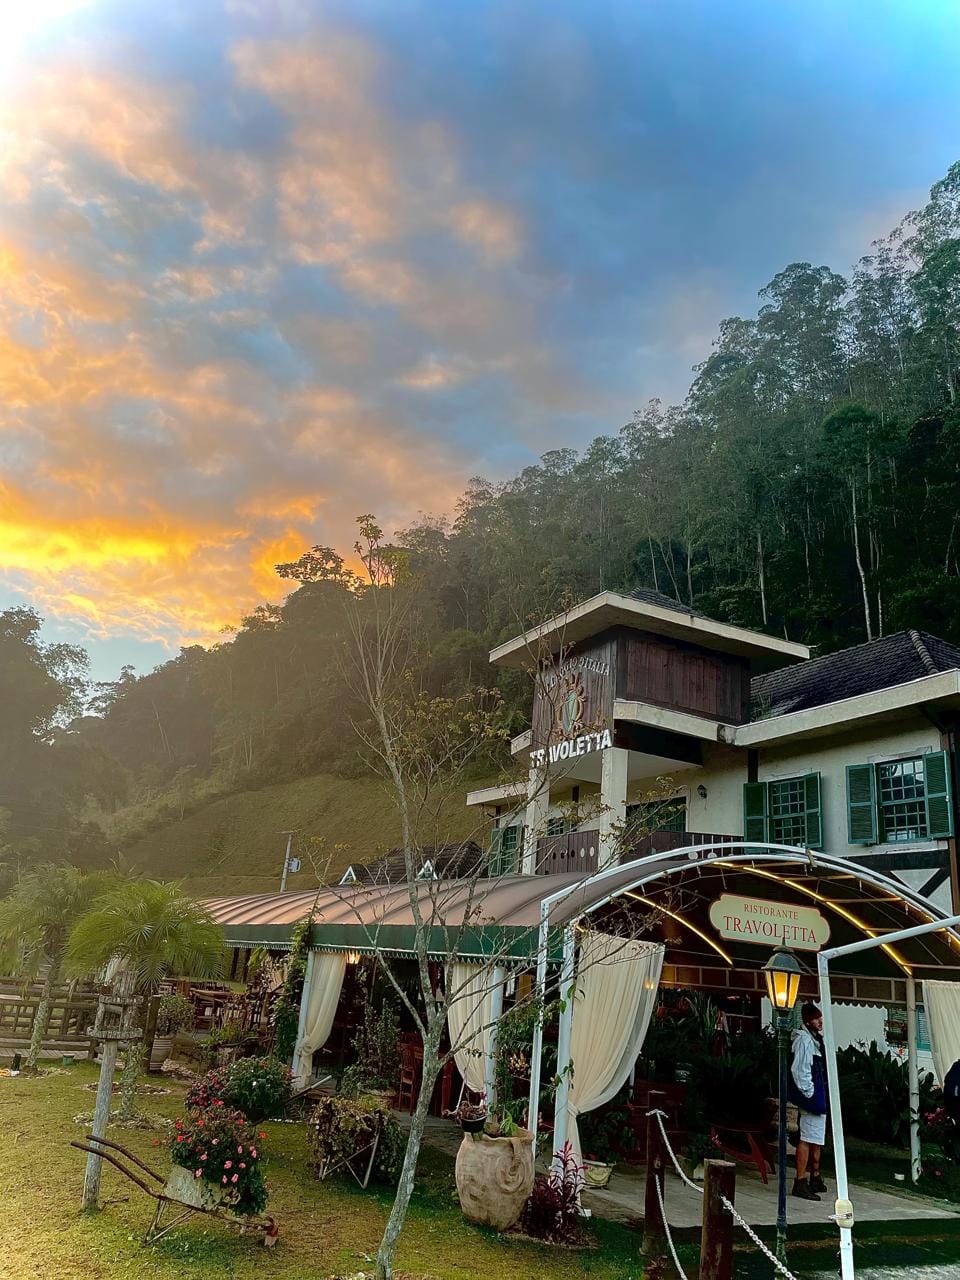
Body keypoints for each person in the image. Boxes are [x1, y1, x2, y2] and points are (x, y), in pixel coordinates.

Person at [788, 1002, 828, 1201]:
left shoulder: (814, 1039)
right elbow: (800, 1069)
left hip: (818, 1092)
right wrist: (809, 1093)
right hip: (812, 1094)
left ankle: (815, 1175)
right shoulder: (804, 1040)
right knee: (807, 1137)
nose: (819, 1021)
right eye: (815, 1018)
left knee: (816, 1137)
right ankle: (800, 1180)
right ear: (807, 1021)